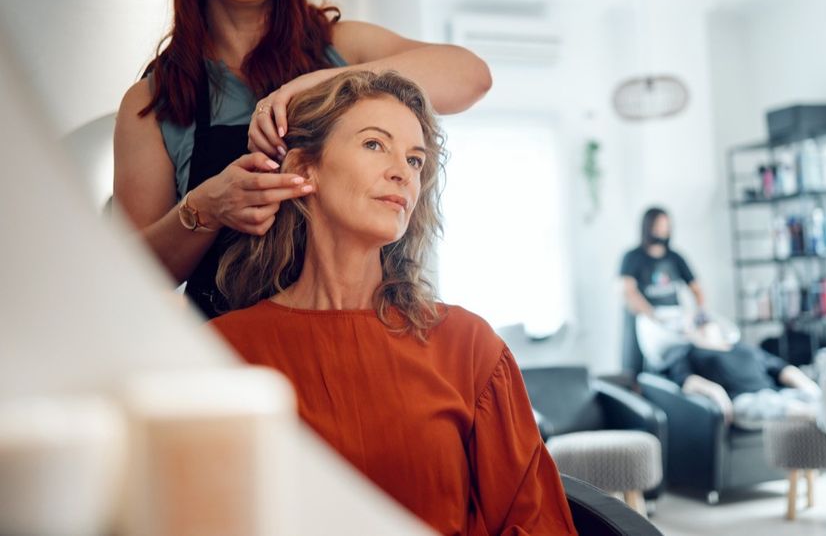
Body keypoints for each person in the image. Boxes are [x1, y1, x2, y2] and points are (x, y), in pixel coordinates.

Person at [208, 70, 576, 535]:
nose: (403, 171)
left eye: (416, 160)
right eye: (374, 145)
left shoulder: (468, 347)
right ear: (304, 170)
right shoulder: (223, 351)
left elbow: (537, 523)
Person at [113, 0, 491, 319]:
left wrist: (319, 82)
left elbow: (471, 77)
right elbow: (130, 274)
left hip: (353, 330)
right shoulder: (155, 101)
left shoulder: (338, 46)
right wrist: (206, 208)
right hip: (230, 352)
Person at [656, 319, 826, 434]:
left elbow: (782, 369)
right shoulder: (688, 352)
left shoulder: (744, 349)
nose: (704, 328)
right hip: (742, 400)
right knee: (778, 406)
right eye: (698, 327)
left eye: (707, 324)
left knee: (810, 397)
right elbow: (686, 381)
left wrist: (812, 388)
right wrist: (716, 392)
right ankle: (822, 415)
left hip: (774, 391)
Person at [620, 207, 706, 376]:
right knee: (634, 370)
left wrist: (697, 313)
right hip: (644, 321)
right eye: (658, 225)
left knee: (676, 363)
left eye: (665, 225)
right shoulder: (632, 257)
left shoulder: (675, 257)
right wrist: (651, 314)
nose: (661, 230)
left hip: (673, 322)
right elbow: (627, 290)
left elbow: (696, 288)